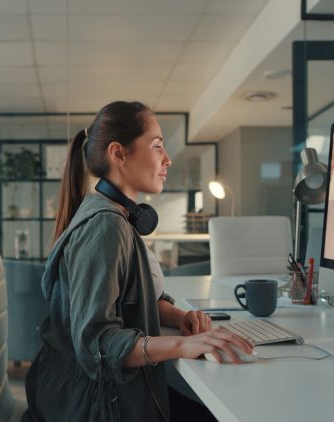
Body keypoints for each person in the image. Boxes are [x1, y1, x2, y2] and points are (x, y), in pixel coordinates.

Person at [22, 101, 254, 422]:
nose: (167, 159)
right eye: (157, 146)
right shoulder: (105, 224)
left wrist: (178, 315)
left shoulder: (116, 213)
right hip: (89, 400)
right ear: (119, 154)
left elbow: (128, 298)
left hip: (96, 387)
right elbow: (97, 345)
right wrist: (180, 346)